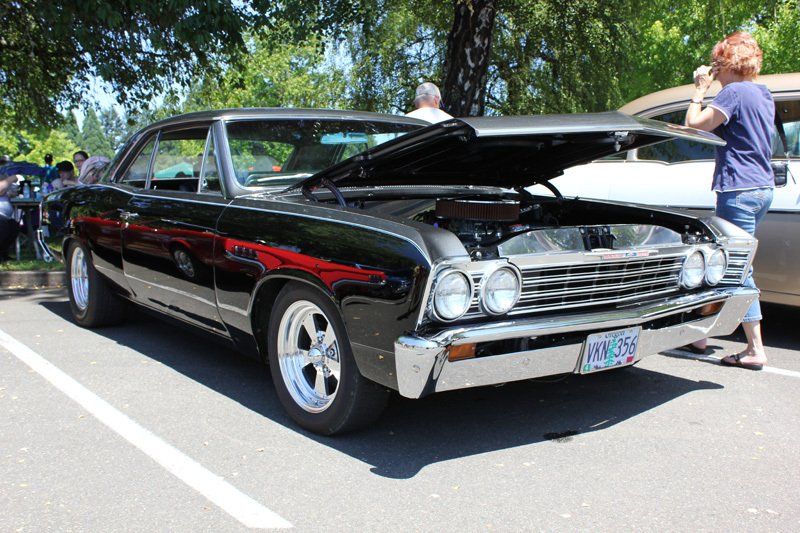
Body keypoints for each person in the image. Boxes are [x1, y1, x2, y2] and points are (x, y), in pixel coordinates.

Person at [684, 31, 773, 370]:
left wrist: (699, 89)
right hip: (762, 188)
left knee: (736, 267)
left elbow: (694, 124)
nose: (714, 72)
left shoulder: (734, 92)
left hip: (738, 189)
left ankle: (754, 348)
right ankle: (699, 333)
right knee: (725, 260)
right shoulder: (762, 94)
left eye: (717, 65)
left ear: (728, 64)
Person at [0, 173, 20, 262]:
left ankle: (3, 253)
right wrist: (11, 178)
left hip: (5, 217)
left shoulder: (5, 193)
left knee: (14, 227)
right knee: (3, 226)